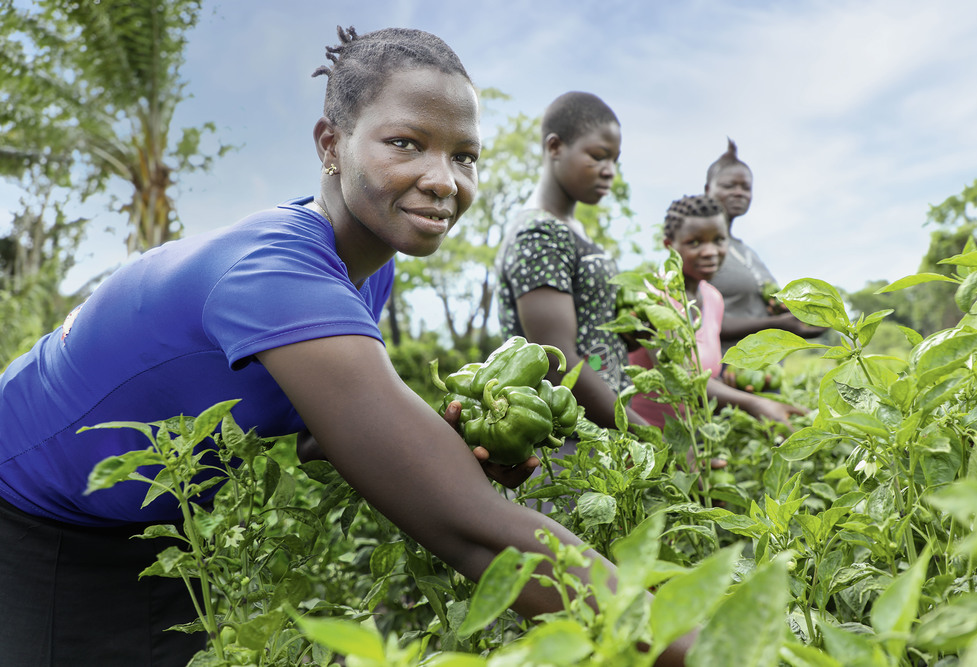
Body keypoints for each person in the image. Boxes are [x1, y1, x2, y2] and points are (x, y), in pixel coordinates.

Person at [0, 27, 691, 666]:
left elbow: (321, 430)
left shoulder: (366, 267)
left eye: (464, 156)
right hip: (30, 518)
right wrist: (699, 643)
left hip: (152, 533)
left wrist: (440, 444)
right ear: (330, 144)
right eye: (406, 143)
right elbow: (476, 531)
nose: (444, 179)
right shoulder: (280, 276)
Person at [495, 91, 647, 430]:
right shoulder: (539, 235)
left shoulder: (572, 231)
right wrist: (646, 433)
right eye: (598, 156)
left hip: (604, 432)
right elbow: (555, 359)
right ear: (555, 147)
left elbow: (589, 328)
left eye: (615, 161)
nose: (609, 172)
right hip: (568, 439)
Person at [628, 195, 805, 429]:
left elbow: (705, 375)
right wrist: (754, 404)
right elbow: (680, 377)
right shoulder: (655, 298)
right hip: (649, 436)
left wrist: (732, 381)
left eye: (719, 240)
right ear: (669, 245)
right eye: (694, 243)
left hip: (698, 436)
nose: (710, 251)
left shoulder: (712, 298)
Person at [705, 139, 825, 357]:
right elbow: (699, 321)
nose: (739, 193)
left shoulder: (747, 252)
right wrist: (776, 324)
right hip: (726, 368)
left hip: (763, 368)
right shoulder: (700, 249)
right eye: (729, 186)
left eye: (746, 187)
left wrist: (802, 318)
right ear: (708, 189)